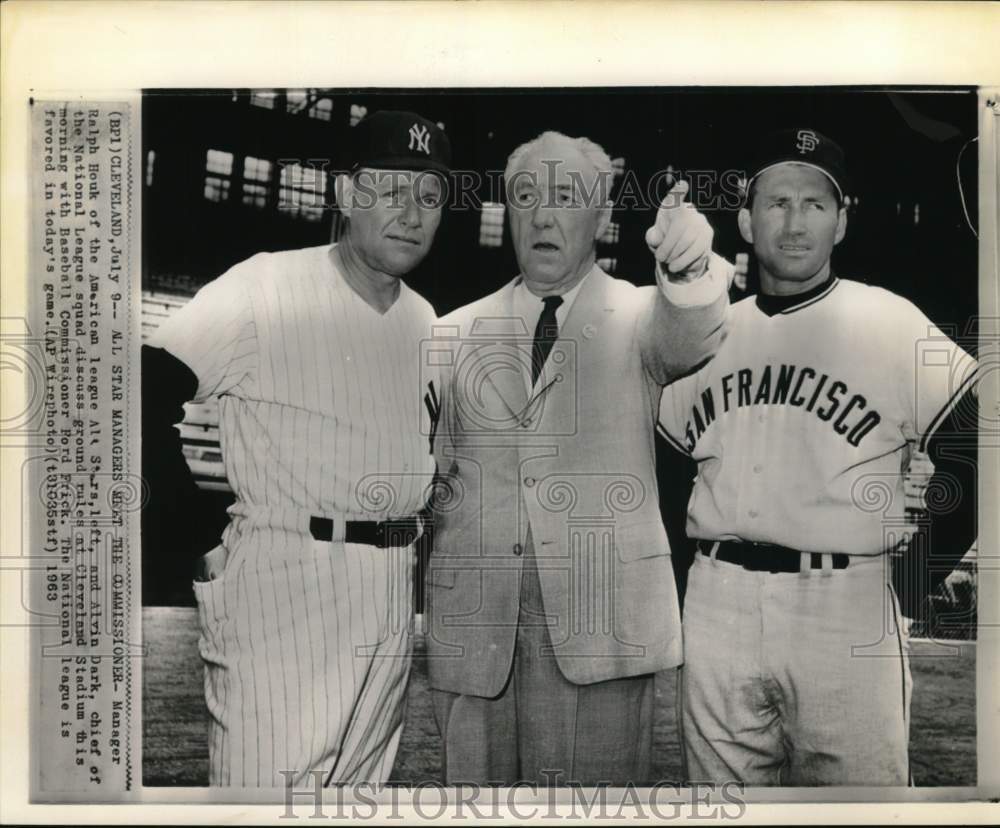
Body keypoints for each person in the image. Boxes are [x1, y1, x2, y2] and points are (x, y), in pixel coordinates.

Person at [658, 127, 979, 785]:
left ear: (842, 222)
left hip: (845, 600)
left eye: (816, 203)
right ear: (745, 219)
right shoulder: (706, 334)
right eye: (777, 202)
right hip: (718, 598)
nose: (796, 221)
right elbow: (665, 472)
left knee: (861, 805)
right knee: (723, 807)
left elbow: (980, 438)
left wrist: (916, 577)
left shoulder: (887, 320)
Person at [142, 110, 451, 787]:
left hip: (392, 593)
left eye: (429, 195)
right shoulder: (265, 286)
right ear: (343, 194)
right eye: (390, 188)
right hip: (286, 582)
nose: (412, 212)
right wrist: (191, 534)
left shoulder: (429, 323)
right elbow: (136, 390)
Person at [425, 130, 731, 785]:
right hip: (476, 634)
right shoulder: (449, 332)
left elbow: (696, 327)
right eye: (526, 196)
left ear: (602, 215)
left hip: (604, 633)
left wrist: (689, 265)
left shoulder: (646, 317)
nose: (541, 213)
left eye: (566, 196)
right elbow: (421, 471)